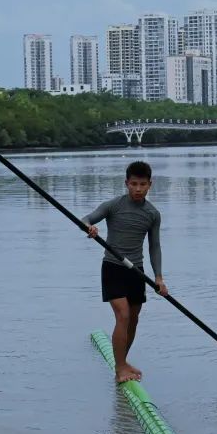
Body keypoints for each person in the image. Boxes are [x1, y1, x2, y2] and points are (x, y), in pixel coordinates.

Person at [83, 161, 167, 383]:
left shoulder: (152, 214)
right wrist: (89, 228)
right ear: (126, 183)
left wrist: (158, 277)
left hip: (136, 271)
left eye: (142, 184)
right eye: (133, 184)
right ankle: (120, 368)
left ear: (150, 185)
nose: (138, 189)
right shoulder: (113, 205)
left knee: (134, 320)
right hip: (113, 267)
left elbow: (154, 247)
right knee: (123, 315)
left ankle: (123, 360)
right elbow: (86, 218)